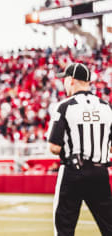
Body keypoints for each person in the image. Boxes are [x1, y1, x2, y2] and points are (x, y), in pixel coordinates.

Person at [48, 63, 112, 236]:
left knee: (64, 227)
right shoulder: (106, 107)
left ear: (72, 80)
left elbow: (54, 146)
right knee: (109, 226)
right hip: (100, 172)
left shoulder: (64, 106)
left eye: (65, 79)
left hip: (73, 171)